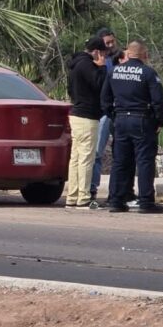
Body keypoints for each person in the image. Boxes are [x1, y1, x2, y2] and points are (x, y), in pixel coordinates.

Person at [101, 40, 163, 214]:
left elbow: (105, 99)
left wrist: (113, 115)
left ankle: (116, 200)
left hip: (121, 120)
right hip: (142, 120)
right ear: (144, 55)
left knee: (120, 162)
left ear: (128, 54)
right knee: (144, 161)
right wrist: (159, 121)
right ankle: (145, 202)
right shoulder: (148, 73)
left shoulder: (114, 72)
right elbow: (159, 100)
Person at [65, 36, 108, 210]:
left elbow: (70, 89)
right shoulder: (87, 65)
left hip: (76, 113)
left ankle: (72, 196)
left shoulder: (76, 65)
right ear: (97, 52)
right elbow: (98, 83)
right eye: (103, 53)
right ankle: (83, 197)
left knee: (75, 158)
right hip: (87, 116)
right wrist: (103, 67)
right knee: (86, 158)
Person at [89, 28, 119, 205]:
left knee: (119, 153)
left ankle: (115, 193)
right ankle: (92, 189)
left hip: (117, 112)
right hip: (101, 112)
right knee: (97, 152)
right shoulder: (96, 63)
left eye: (112, 42)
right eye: (107, 43)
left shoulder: (118, 61)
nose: (110, 46)